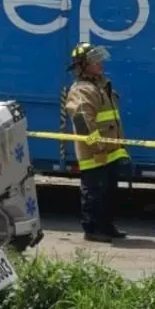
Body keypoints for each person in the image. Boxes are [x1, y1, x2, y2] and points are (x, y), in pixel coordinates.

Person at [63, 42, 129, 243]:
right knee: (94, 194)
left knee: (109, 193)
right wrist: (97, 147)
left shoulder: (100, 85)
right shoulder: (81, 91)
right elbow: (84, 124)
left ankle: (106, 227)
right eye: (94, 61)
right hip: (95, 155)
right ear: (83, 66)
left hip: (110, 152)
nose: (99, 63)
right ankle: (92, 230)